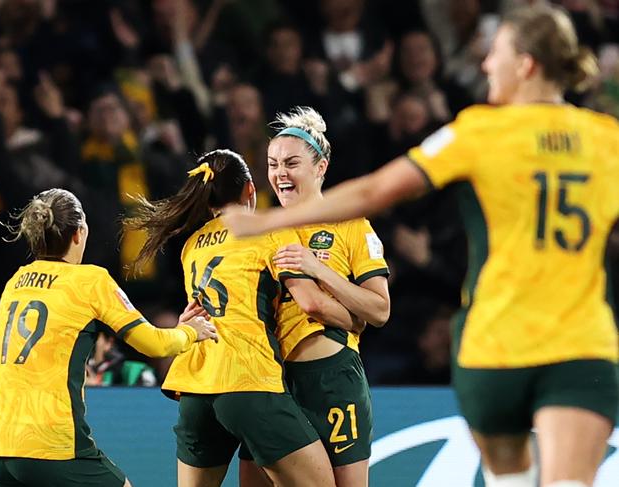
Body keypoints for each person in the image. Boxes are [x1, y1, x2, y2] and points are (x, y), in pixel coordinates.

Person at [224, 5, 619, 487]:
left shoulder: (478, 130)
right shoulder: (608, 139)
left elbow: (375, 191)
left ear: (527, 65)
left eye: (495, 53)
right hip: (583, 340)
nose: (485, 65)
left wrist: (270, 220)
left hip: (495, 342)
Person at [124, 149, 362, 487]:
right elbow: (312, 304)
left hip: (195, 388)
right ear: (251, 189)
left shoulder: (192, 245)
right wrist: (354, 318)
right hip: (248, 382)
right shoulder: (268, 230)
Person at [0, 188, 218, 487]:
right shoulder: (89, 281)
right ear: (78, 233)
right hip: (48, 440)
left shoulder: (16, 282)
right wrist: (190, 333)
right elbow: (153, 344)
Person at [238, 107, 390, 487]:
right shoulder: (262, 230)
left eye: (291, 163)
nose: (280, 174)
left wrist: (318, 269)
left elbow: (380, 309)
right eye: (273, 164)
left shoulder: (352, 225)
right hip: (268, 381)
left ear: (320, 167)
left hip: (332, 379)